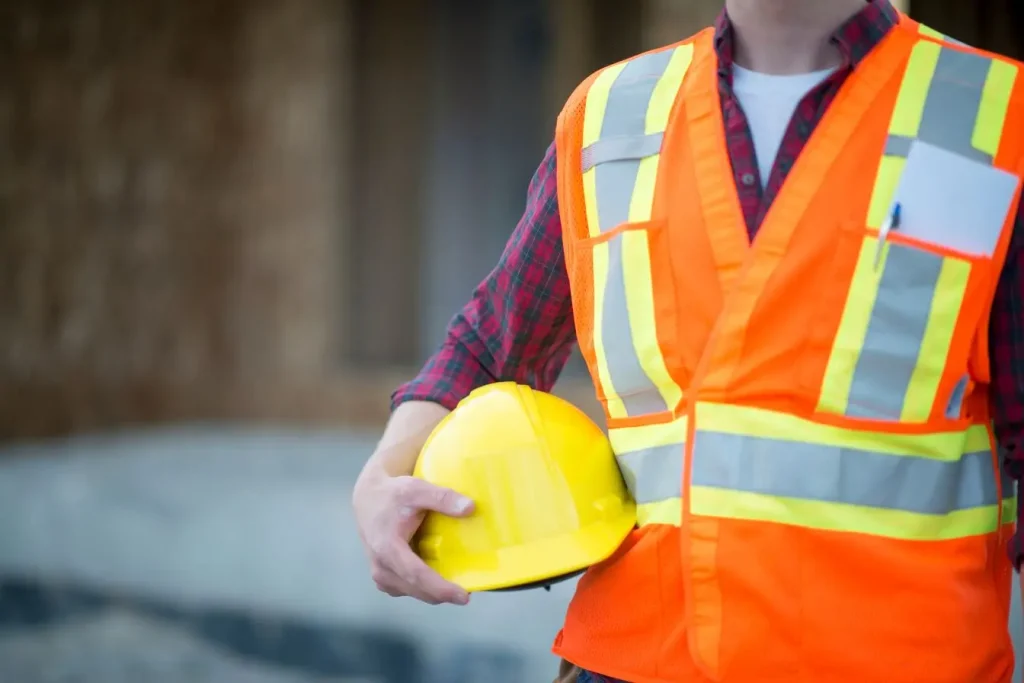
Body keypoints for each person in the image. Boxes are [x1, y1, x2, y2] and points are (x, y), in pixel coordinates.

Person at [352, 0, 1024, 681]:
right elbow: (491, 347)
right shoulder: (608, 118)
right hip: (636, 659)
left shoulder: (998, 119)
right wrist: (385, 475)